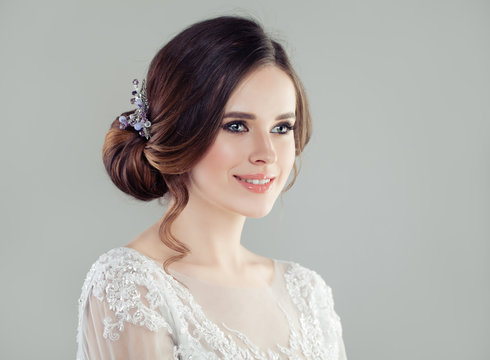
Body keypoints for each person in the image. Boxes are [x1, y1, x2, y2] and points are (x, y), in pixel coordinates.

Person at [76, 15, 347, 360]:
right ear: (182, 132)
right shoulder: (131, 286)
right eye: (236, 126)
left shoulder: (307, 292)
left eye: (281, 128)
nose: (266, 154)